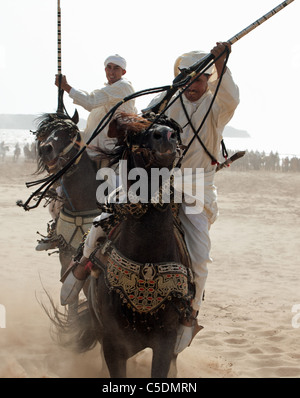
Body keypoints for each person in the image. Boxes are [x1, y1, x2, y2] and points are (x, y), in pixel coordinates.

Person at [147, 42, 240, 352]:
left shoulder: (217, 106)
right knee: (113, 216)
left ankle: (190, 315)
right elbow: (146, 116)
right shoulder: (170, 101)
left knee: (199, 256)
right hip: (161, 182)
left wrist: (222, 62)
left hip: (198, 190)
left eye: (199, 79)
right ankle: (84, 266)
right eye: (186, 78)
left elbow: (231, 97)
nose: (192, 85)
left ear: (208, 80)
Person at [36, 54, 137, 251]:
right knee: (58, 194)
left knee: (118, 200)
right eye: (108, 67)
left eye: (116, 68)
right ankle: (56, 232)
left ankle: (124, 240)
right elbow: (89, 132)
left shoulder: (123, 88)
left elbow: (90, 101)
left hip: (114, 159)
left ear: (123, 72)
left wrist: (67, 88)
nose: (111, 71)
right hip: (90, 156)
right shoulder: (105, 94)